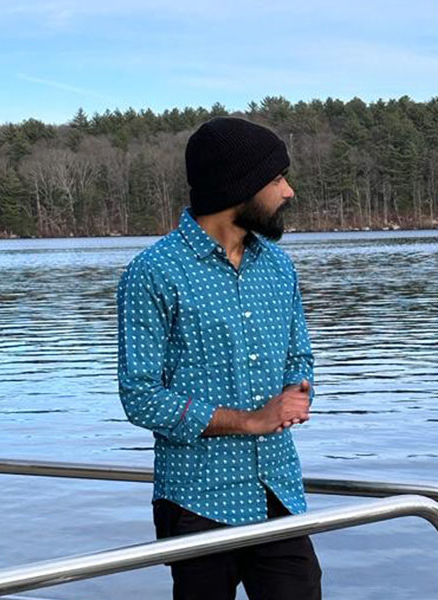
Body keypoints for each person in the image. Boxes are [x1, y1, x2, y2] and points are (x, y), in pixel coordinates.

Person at [117, 116, 321, 600]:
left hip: (279, 492)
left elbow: (300, 355)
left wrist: (299, 392)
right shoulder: (154, 273)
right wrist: (249, 421)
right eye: (276, 180)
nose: (288, 191)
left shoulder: (277, 265)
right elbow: (141, 397)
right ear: (239, 187)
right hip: (196, 501)